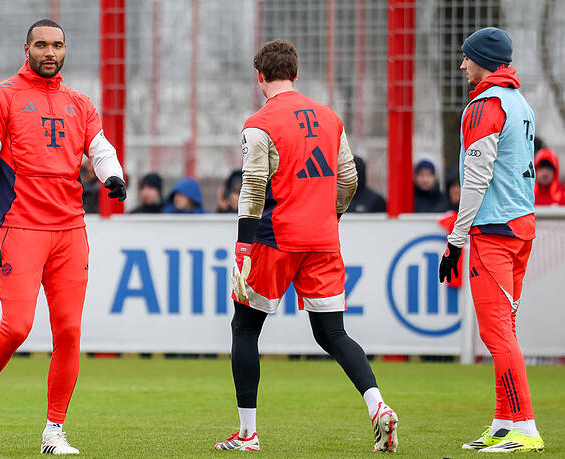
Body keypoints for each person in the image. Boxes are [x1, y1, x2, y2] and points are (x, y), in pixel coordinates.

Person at [215, 39, 398, 453]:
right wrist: (331, 216)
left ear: (259, 76)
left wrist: (243, 248)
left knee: (245, 328)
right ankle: (378, 406)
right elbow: (349, 179)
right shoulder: (330, 117)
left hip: (275, 239)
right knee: (333, 334)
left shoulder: (259, 122)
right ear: (295, 73)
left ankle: (247, 434)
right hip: (323, 239)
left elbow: (253, 188)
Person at [0, 19, 125, 455]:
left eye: (56, 45)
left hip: (70, 230)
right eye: (41, 45)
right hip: (20, 227)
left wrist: (113, 175)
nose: (49, 52)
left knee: (69, 331)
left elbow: (100, 146)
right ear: (26, 48)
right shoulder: (2, 96)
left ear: (65, 50)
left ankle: (54, 432)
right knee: (16, 327)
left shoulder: (80, 102)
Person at [439, 27, 544, 452]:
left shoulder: (485, 105)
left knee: (497, 332)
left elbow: (477, 179)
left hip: (494, 230)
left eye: (467, 57)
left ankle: (524, 427)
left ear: (482, 58)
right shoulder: (519, 102)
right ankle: (504, 421)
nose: (462, 64)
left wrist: (456, 239)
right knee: (506, 328)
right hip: (521, 225)